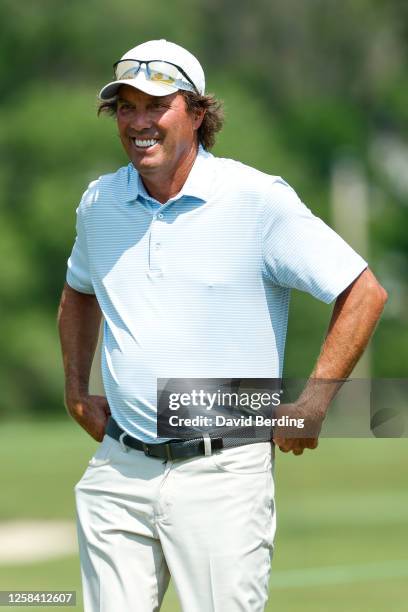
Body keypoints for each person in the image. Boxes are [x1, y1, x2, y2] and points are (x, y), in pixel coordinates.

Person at [57, 39, 387, 612]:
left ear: (197, 112)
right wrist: (75, 393)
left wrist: (313, 403)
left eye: (156, 105)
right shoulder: (99, 202)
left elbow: (363, 292)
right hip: (119, 469)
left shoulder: (256, 200)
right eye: (126, 107)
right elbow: (79, 293)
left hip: (223, 472)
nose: (139, 122)